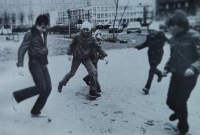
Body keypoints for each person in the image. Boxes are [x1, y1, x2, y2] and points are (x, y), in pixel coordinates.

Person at [163, 9, 200, 134]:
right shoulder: (173, 39)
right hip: (176, 74)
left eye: (173, 26)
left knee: (180, 102)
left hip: (189, 77)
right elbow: (172, 56)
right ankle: (179, 112)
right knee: (170, 101)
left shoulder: (194, 36)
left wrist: (193, 68)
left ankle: (183, 127)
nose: (170, 29)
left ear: (182, 25)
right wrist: (166, 68)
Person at [12, 14, 51, 117]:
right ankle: (17, 96)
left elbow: (43, 46)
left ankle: (36, 111)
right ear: (37, 25)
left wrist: (45, 51)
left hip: (42, 63)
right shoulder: (29, 34)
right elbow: (21, 50)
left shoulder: (44, 32)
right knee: (41, 87)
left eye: (46, 26)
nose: (44, 29)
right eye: (42, 27)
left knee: (48, 88)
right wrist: (20, 65)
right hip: (34, 63)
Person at [58, 21, 107, 97]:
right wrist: (69, 54)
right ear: (81, 29)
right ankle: (61, 83)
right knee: (72, 73)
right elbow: (71, 45)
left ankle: (93, 91)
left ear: (90, 30)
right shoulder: (77, 37)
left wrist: (105, 56)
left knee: (93, 72)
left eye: (87, 29)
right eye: (84, 29)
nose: (85, 31)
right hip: (77, 57)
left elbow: (99, 47)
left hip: (86, 58)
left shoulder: (92, 39)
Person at [135, 22, 168, 94]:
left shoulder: (161, 36)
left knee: (151, 70)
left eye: (153, 30)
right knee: (152, 69)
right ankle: (159, 74)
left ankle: (147, 87)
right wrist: (139, 46)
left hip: (158, 54)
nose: (151, 32)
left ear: (157, 31)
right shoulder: (149, 36)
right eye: (150, 30)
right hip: (150, 54)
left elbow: (169, 41)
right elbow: (146, 43)